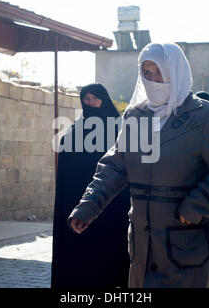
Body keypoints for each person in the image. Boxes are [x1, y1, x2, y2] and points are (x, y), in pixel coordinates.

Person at [68, 43, 209, 288]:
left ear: (175, 72)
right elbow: (115, 166)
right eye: (146, 74)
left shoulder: (205, 116)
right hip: (143, 240)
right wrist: (89, 206)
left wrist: (195, 206)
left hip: (185, 239)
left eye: (158, 72)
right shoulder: (135, 116)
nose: (152, 80)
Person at [51, 83, 131, 288]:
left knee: (108, 245)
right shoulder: (77, 126)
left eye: (95, 98)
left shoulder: (118, 126)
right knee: (80, 244)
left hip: (109, 198)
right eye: (87, 99)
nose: (91, 103)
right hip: (77, 196)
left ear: (104, 99)